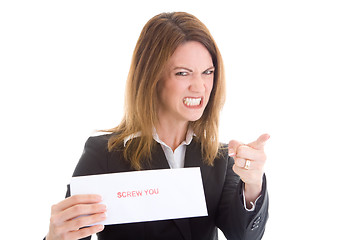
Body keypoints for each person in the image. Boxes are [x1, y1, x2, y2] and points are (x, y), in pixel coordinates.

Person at [45, 12, 269, 240]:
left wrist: (252, 185)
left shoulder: (219, 158)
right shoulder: (104, 155)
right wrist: (55, 237)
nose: (200, 87)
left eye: (207, 72)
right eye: (183, 73)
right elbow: (73, 233)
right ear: (152, 77)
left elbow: (244, 235)